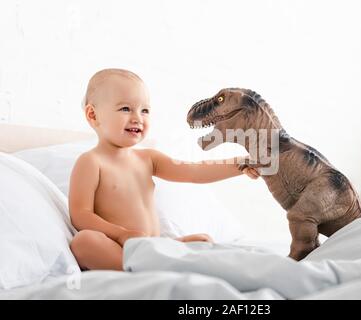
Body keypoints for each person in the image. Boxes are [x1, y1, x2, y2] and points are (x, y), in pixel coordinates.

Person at [69, 68, 259, 271]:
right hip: (120, 247)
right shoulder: (91, 162)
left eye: (145, 110)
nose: (137, 118)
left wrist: (240, 163)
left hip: (154, 246)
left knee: (202, 240)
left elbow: (193, 172)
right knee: (83, 242)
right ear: (93, 114)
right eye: (125, 109)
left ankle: (158, 261)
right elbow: (81, 215)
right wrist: (120, 234)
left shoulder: (148, 158)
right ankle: (144, 267)